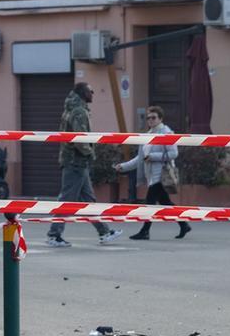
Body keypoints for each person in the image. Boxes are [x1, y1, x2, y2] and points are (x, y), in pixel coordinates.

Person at [47, 83, 123, 247]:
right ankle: (54, 235)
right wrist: (91, 153)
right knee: (67, 200)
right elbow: (80, 139)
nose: (93, 94)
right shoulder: (79, 112)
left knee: (87, 200)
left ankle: (104, 232)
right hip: (76, 162)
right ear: (83, 93)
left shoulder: (72, 108)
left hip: (76, 162)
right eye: (91, 91)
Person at [114, 106, 191, 240]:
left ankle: (145, 231)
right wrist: (124, 167)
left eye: (153, 117)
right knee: (166, 203)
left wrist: (153, 156)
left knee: (149, 203)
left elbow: (174, 153)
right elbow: (140, 158)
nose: (150, 120)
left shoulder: (167, 132)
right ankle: (184, 224)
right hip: (152, 176)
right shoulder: (148, 134)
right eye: (148, 118)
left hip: (161, 175)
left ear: (160, 118)